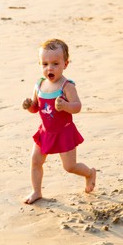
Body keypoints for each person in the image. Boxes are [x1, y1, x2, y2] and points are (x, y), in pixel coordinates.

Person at [22, 38, 97, 204]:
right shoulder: (39, 84)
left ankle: (90, 173)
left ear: (65, 64)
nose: (50, 68)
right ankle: (36, 191)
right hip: (45, 131)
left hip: (64, 132)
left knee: (69, 167)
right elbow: (36, 108)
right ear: (40, 64)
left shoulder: (67, 86)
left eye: (55, 63)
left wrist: (65, 106)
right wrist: (29, 105)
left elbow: (77, 107)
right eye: (45, 64)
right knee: (35, 161)